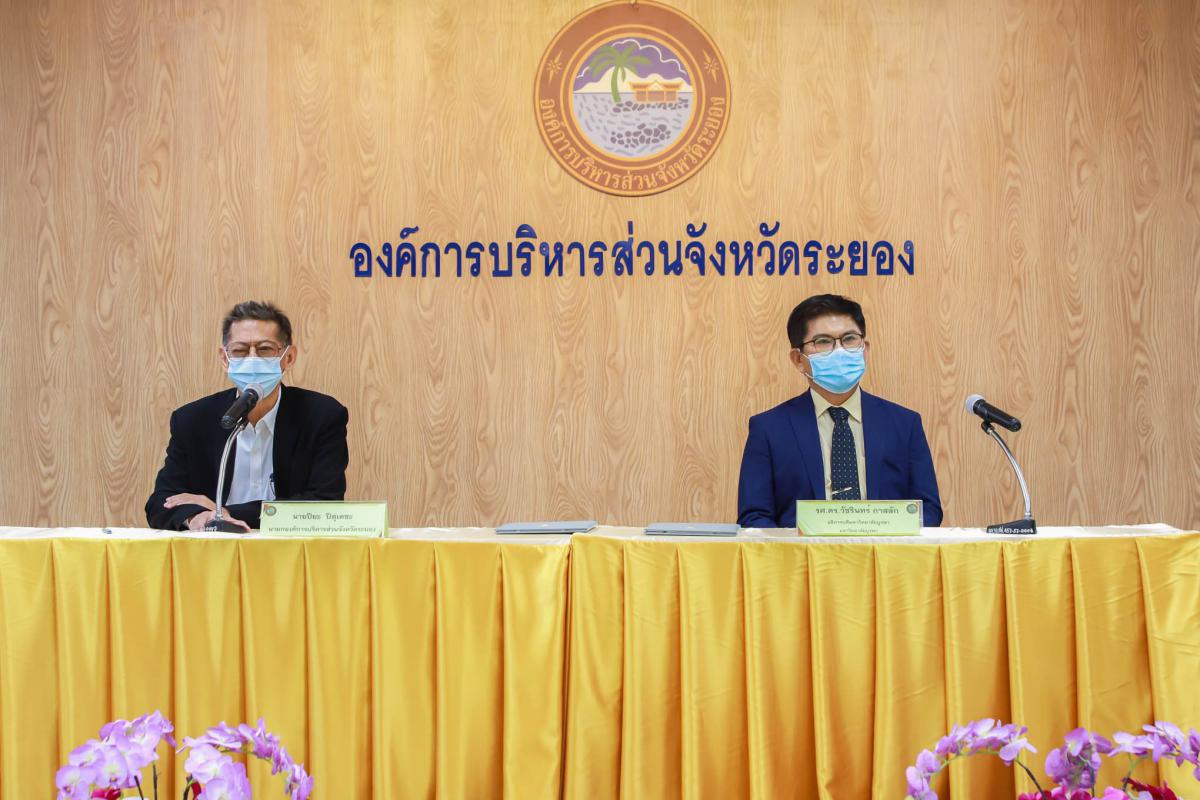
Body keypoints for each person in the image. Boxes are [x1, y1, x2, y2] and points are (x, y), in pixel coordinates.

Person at [737, 293, 943, 528]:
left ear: (864, 349)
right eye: (823, 341)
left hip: (884, 550)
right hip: (802, 551)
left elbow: (928, 511)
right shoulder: (769, 429)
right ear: (798, 359)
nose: (840, 350)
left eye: (849, 339)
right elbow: (754, 517)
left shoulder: (904, 424)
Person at [145, 301, 349, 531]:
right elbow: (161, 503)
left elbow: (324, 504)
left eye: (264, 349)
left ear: (289, 357)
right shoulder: (192, 420)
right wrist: (197, 517)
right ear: (225, 359)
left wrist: (223, 511)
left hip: (290, 547)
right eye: (240, 351)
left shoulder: (321, 416)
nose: (252, 360)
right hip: (216, 548)